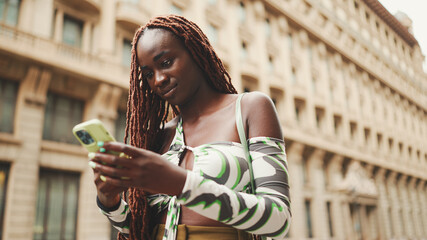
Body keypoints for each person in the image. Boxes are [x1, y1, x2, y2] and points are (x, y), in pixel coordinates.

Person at [88, 15, 291, 240]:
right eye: (148, 74)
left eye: (165, 63)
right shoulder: (161, 136)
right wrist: (110, 202)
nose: (158, 80)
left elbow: (278, 219)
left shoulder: (250, 108)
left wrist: (180, 183)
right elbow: (140, 230)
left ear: (196, 53)